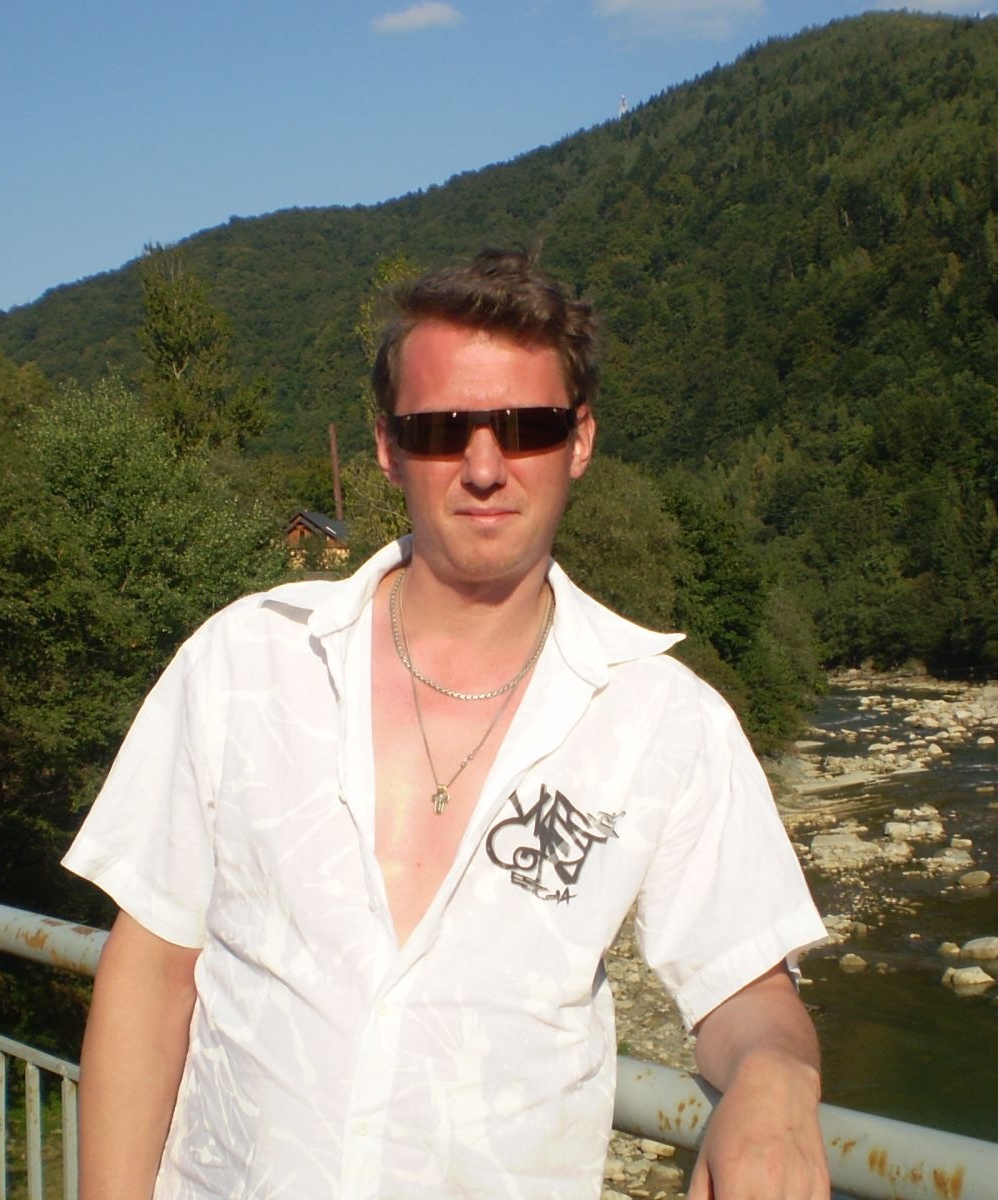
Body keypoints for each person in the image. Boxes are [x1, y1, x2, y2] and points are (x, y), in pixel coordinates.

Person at [66, 249, 831, 1199]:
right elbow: (150, 971)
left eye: (526, 427)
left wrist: (775, 1080)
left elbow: (746, 989)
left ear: (579, 441)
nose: (482, 467)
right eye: (440, 431)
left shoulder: (665, 722)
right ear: (387, 448)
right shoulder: (243, 662)